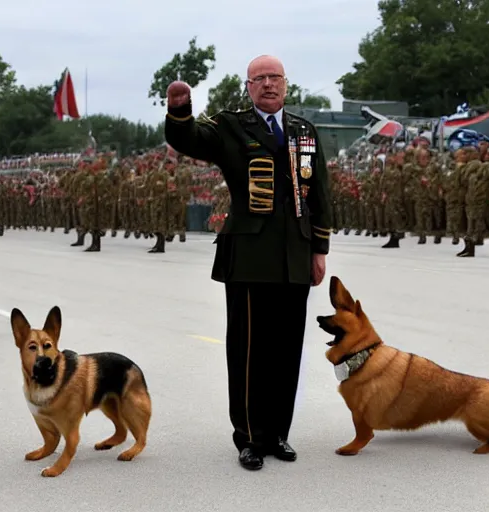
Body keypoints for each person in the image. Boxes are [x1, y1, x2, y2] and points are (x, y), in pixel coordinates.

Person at [163, 55, 331, 470]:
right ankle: (250, 438)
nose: (269, 85)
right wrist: (179, 112)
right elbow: (191, 140)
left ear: (286, 84)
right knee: (249, 350)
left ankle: (278, 434)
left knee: (287, 350)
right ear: (249, 86)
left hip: (295, 254)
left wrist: (319, 249)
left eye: (275, 78)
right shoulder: (232, 126)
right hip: (250, 257)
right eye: (261, 79)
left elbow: (319, 192)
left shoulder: (304, 131)